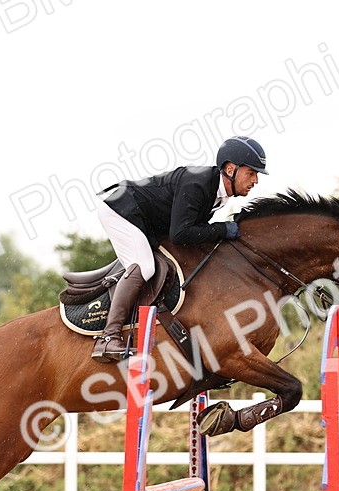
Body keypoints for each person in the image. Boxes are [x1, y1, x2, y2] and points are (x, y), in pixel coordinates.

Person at [90, 136, 267, 363]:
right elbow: (181, 234)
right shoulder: (199, 183)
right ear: (231, 169)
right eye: (251, 173)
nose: (255, 181)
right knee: (144, 266)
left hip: (144, 221)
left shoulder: (218, 194)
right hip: (121, 211)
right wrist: (222, 230)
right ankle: (108, 337)